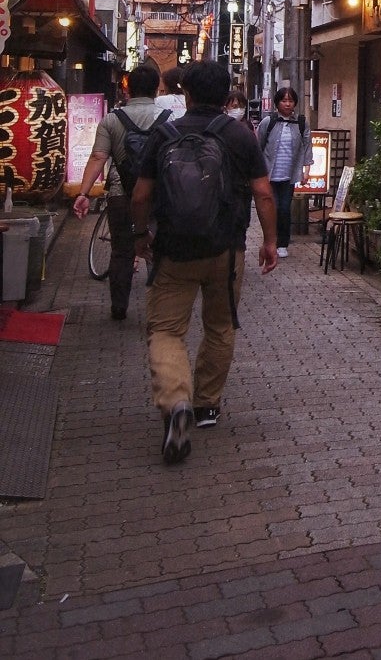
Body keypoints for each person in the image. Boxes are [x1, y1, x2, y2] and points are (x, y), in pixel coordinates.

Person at [131, 60, 277, 466]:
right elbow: (264, 193)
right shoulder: (239, 135)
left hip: (174, 251)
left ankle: (177, 401)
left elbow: (141, 196)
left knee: (165, 329)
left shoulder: (165, 134)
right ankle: (207, 405)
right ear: (225, 93)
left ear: (187, 94)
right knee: (220, 326)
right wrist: (270, 242)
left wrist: (141, 237)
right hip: (226, 251)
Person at [72, 65, 166, 321]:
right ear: (157, 88)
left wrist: (83, 193)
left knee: (122, 251)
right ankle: (158, 308)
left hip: (120, 193)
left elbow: (98, 156)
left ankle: (119, 306)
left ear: (127, 87)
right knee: (157, 250)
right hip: (158, 196)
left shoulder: (112, 120)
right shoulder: (169, 119)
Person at [256, 87, 313, 259]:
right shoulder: (268, 122)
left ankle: (282, 243)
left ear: (295, 103)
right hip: (269, 174)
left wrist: (306, 170)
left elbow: (307, 146)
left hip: (289, 174)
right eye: (284, 100)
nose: (287, 104)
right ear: (277, 102)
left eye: (290, 100)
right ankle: (270, 240)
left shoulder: (301, 123)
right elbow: (259, 146)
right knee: (271, 209)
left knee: (284, 209)